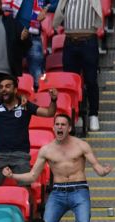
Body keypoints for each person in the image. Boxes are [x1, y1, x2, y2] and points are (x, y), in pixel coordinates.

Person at [3, 114, 113, 222]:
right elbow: (33, 176)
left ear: (69, 128)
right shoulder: (46, 150)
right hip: (58, 192)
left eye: (63, 125)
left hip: (79, 190)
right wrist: (12, 176)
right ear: (53, 127)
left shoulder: (81, 145)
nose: (60, 127)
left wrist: (104, 171)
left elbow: (98, 168)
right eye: (57, 124)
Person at [0, 76, 57, 190]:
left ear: (15, 90)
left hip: (20, 155)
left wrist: (53, 100)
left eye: (8, 86)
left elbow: (49, 113)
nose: (4, 89)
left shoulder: (25, 105)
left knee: (25, 190)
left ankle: (27, 208)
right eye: (1, 87)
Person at [53, 0, 102, 132]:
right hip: (70, 42)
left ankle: (93, 114)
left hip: (89, 40)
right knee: (70, 83)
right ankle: (75, 114)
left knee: (91, 80)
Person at [1, 0, 57, 90]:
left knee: (37, 70)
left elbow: (57, 3)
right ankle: (12, 96)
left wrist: (46, 9)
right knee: (10, 69)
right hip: (13, 36)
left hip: (33, 36)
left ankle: (40, 95)